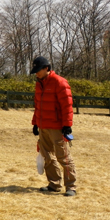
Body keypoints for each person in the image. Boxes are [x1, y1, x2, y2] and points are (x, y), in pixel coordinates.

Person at [30, 56, 77, 196]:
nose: (36, 73)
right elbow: (38, 106)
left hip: (57, 127)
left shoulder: (60, 82)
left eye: (38, 70)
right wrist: (35, 123)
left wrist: (67, 125)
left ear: (47, 68)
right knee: (47, 156)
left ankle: (71, 187)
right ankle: (54, 184)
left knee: (64, 157)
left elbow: (67, 106)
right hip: (43, 126)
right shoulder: (39, 84)